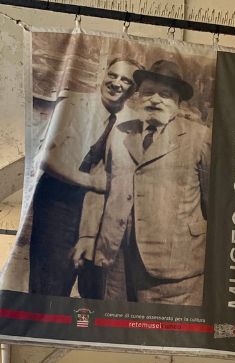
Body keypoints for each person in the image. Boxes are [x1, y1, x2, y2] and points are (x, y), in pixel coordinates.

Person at [72, 59, 211, 305]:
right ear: (137, 97)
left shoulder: (200, 138)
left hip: (174, 274)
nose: (155, 100)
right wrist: (87, 236)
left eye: (165, 95)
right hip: (116, 266)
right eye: (148, 93)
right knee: (118, 337)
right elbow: (99, 187)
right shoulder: (120, 132)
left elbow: (216, 204)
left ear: (178, 102)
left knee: (169, 339)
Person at [29, 57, 141, 297]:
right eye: (112, 75)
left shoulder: (133, 121)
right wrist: (90, 181)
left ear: (135, 89)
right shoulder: (74, 104)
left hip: (100, 213)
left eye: (125, 80)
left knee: (96, 289)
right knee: (50, 283)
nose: (116, 83)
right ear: (103, 74)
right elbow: (44, 158)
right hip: (58, 204)